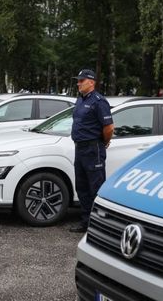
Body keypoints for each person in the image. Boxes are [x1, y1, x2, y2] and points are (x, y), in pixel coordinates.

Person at [69, 69, 114, 233]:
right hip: (79, 148)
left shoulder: (99, 101)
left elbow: (109, 127)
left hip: (93, 148)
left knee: (95, 188)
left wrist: (104, 142)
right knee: (81, 187)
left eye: (81, 81)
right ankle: (86, 222)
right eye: (78, 80)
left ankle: (99, 225)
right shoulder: (80, 100)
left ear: (91, 82)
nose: (78, 83)